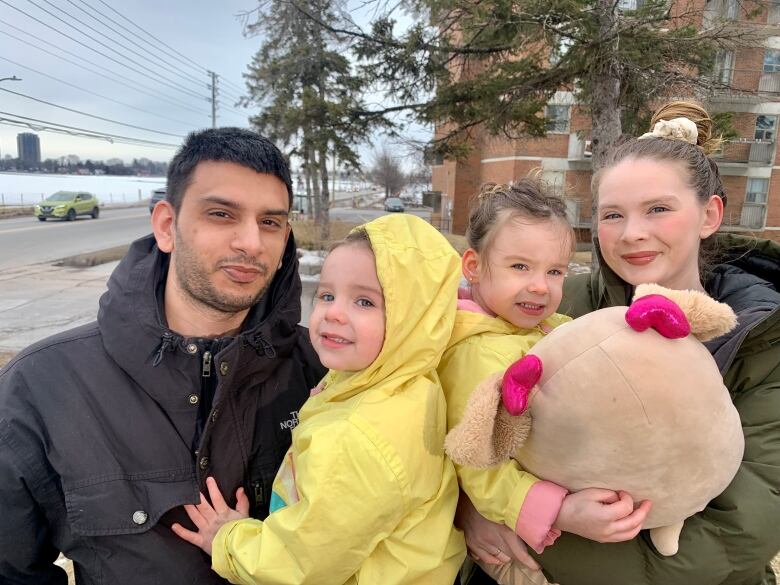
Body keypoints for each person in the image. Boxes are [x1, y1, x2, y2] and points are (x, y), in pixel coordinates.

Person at [461, 101, 780, 585]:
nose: (632, 234)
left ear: (709, 214)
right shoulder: (555, 305)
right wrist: (467, 509)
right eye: (612, 215)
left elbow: (736, 534)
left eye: (658, 209)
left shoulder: (764, 337)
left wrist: (529, 533)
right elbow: (461, 410)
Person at [0, 127, 326, 584]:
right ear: (167, 226)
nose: (251, 243)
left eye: (270, 222)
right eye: (221, 214)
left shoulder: (327, 372)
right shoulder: (42, 387)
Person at [172, 213, 467, 584]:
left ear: (414, 319)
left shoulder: (355, 438)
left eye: (365, 302)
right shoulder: (408, 378)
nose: (334, 313)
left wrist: (228, 540)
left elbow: (303, 563)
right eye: (327, 294)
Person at [438, 180, 651, 583]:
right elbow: (479, 465)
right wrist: (560, 511)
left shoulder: (547, 328)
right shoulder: (476, 352)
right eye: (520, 266)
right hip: (515, 547)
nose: (540, 285)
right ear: (473, 266)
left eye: (555, 271)